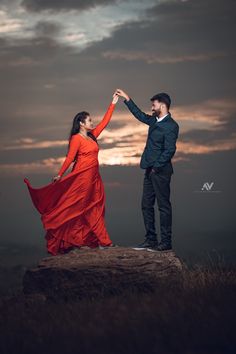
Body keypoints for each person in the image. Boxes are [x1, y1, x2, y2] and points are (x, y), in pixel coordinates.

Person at [24, 92, 119, 256]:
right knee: (78, 209)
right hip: (82, 178)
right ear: (81, 123)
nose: (92, 122)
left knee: (95, 207)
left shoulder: (91, 136)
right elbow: (69, 157)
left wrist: (113, 103)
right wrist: (60, 174)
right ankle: (80, 241)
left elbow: (104, 122)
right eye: (89, 120)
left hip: (94, 178)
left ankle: (103, 241)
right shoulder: (76, 138)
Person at [115, 89, 179, 252]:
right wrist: (127, 99)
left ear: (163, 105)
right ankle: (151, 240)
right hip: (149, 170)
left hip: (161, 171)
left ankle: (165, 242)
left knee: (163, 206)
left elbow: (170, 150)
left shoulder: (171, 126)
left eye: (154, 103)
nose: (151, 106)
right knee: (146, 205)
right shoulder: (154, 121)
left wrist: (156, 167)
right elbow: (139, 115)